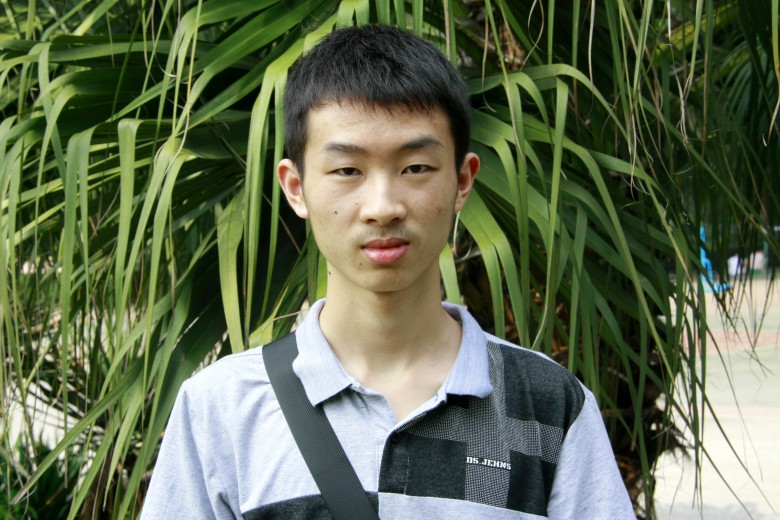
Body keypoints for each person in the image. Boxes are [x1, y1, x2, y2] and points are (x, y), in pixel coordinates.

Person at [141, 24, 635, 519]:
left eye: (416, 168)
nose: (382, 207)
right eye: (347, 170)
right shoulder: (222, 409)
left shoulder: (549, 405)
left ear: (462, 181)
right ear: (296, 188)